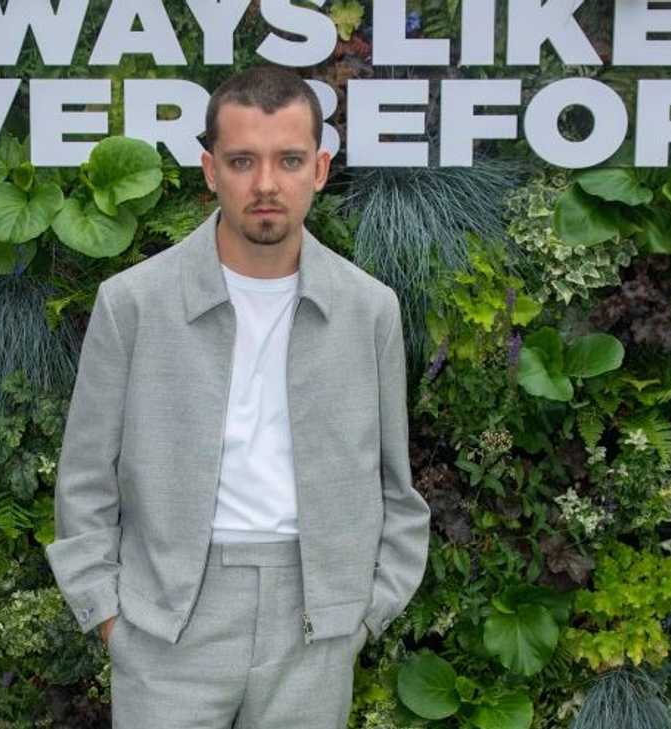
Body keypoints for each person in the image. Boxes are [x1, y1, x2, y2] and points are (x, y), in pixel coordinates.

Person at [45, 64, 431, 729]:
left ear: (320, 168)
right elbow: (84, 479)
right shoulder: (133, 305)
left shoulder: (368, 310)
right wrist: (110, 618)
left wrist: (362, 615)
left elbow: (396, 483)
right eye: (242, 160)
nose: (266, 184)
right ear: (209, 169)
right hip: (167, 618)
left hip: (314, 620)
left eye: (288, 159)